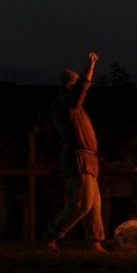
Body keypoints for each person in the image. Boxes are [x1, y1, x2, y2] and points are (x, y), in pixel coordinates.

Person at [44, 51, 106, 252]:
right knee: (83, 203)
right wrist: (91, 66)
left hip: (87, 158)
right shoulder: (66, 104)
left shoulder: (73, 107)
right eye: (76, 85)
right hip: (77, 158)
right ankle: (52, 234)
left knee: (94, 203)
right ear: (69, 87)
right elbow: (81, 90)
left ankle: (95, 241)